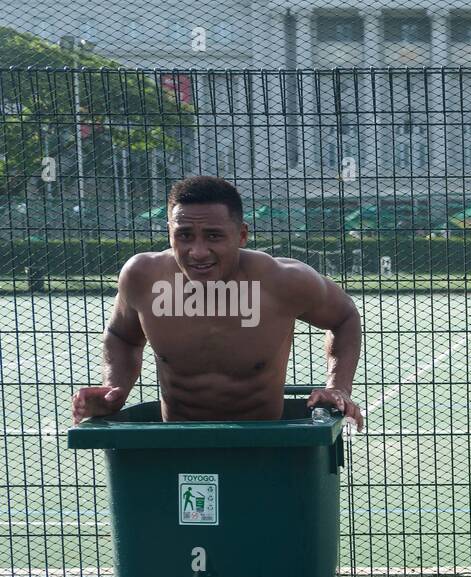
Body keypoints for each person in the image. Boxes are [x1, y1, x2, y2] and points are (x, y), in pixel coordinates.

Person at [71, 175, 364, 429]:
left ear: (242, 235)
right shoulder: (142, 276)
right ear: (169, 234)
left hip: (265, 445)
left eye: (213, 236)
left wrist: (338, 387)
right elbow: (122, 336)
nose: (198, 252)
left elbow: (344, 317)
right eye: (184, 235)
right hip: (177, 445)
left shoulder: (283, 281)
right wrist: (114, 389)